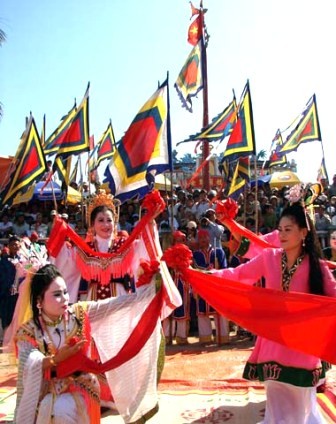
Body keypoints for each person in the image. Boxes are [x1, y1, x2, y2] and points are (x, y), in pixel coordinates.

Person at [211, 198, 336, 423]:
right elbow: (239, 275)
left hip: (302, 342)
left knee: (300, 398)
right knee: (276, 393)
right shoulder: (269, 256)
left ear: (304, 233)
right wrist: (206, 275)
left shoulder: (316, 266)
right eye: (280, 229)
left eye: (288, 230)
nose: (282, 234)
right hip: (272, 338)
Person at [13, 263, 180, 424]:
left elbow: (115, 305)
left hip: (82, 386)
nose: (65, 298)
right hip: (44, 392)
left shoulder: (79, 313)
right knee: (50, 406)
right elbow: (29, 364)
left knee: (59, 408)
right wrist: (57, 359)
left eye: (65, 292)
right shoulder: (28, 331)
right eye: (57, 294)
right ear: (39, 301)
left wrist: (147, 291)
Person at [192, 229, 230, 345]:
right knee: (203, 312)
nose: (203, 240)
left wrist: (216, 270)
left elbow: (224, 267)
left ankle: (223, 336)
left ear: (209, 238)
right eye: (201, 237)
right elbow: (196, 268)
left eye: (205, 237)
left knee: (220, 311)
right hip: (203, 286)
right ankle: (205, 337)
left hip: (216, 285)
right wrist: (208, 270)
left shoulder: (219, 252)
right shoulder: (195, 254)